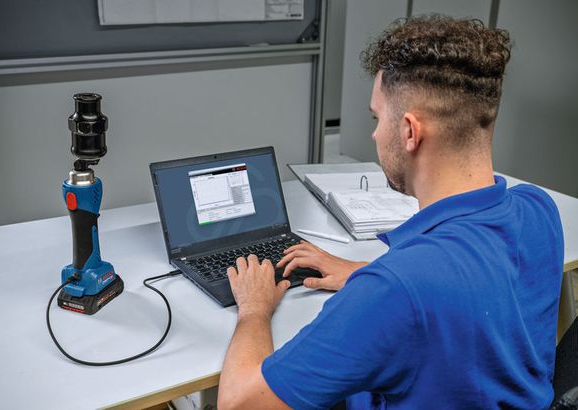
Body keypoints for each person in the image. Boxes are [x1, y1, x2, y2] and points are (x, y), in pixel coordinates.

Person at [217, 15, 564, 409]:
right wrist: (362, 273)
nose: (374, 134)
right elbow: (471, 282)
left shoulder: (395, 289)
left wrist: (254, 309)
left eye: (377, 118)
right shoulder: (539, 209)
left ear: (410, 132)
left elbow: (239, 403)